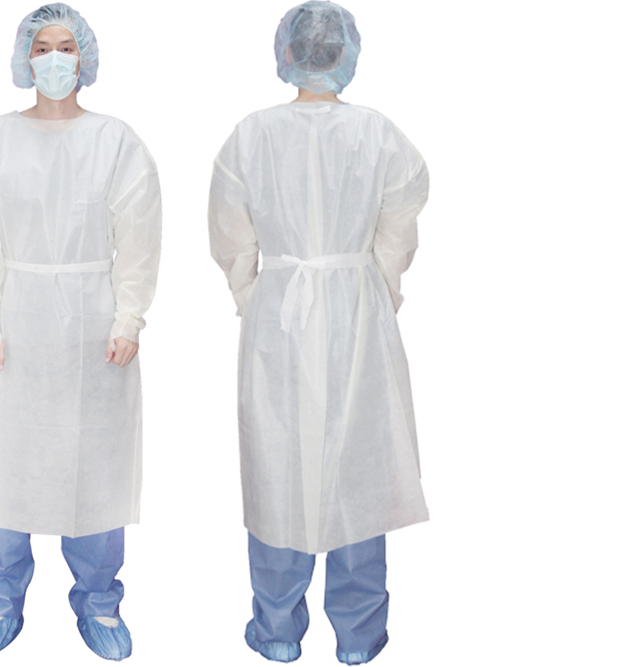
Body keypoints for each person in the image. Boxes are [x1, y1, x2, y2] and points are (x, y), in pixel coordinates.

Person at [208, 2, 429, 664]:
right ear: (347, 54)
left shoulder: (250, 136)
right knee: (356, 468)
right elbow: (400, 224)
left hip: (280, 314)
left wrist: (253, 295)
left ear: (287, 54)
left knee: (284, 471)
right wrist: (378, 288)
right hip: (355, 311)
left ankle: (277, 630)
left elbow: (230, 236)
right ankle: (359, 636)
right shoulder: (376, 134)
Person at [0, 3, 161, 661]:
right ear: (25, 59)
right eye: (41, 47)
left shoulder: (115, 140)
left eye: (66, 46)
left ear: (85, 58)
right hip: (17, 325)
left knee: (94, 469)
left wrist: (129, 317)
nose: (54, 58)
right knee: (8, 462)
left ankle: (99, 601)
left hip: (96, 329)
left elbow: (140, 235)